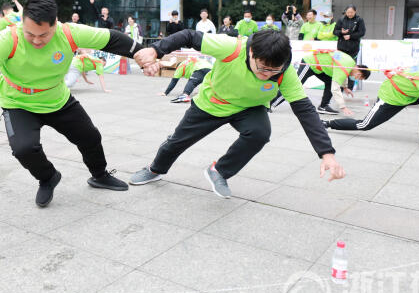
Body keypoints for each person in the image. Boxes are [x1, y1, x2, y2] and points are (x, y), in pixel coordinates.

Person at [0, 0, 144, 208]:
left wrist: (144, 53)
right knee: (23, 149)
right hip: (18, 103)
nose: (37, 40)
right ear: (22, 22)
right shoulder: (7, 39)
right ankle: (48, 177)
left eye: (44, 35)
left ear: (55, 23)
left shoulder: (69, 33)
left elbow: (112, 39)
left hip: (56, 98)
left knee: (90, 137)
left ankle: (99, 175)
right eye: (31, 34)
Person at [129, 29, 344, 198]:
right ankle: (155, 169)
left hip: (249, 107)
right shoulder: (232, 47)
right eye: (262, 68)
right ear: (251, 53)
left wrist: (327, 153)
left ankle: (219, 171)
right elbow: (189, 36)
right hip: (212, 103)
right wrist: (156, 50)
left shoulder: (285, 72)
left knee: (260, 133)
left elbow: (305, 111)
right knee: (177, 142)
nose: (266, 75)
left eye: (273, 71)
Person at [270, 50, 370, 115]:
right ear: (358, 69)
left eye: (359, 79)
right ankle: (270, 104)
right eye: (359, 77)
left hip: (319, 68)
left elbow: (343, 77)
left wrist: (345, 87)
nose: (357, 78)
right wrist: (343, 107)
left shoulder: (350, 64)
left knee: (329, 82)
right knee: (292, 87)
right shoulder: (345, 66)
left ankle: (323, 106)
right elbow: (335, 88)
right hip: (309, 63)